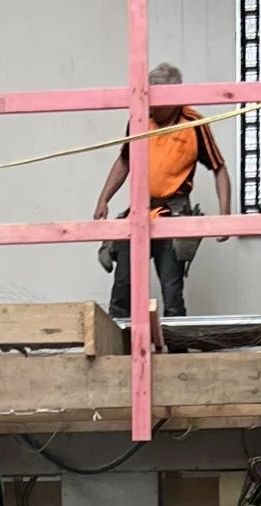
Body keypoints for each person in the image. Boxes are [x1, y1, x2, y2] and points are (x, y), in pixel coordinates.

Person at [94, 67, 231, 340]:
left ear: (174, 98)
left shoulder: (194, 123)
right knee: (122, 287)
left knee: (172, 292)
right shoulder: (139, 119)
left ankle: (177, 352)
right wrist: (104, 198)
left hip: (173, 214)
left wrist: (224, 214)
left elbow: (219, 168)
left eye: (157, 100)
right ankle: (117, 350)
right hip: (138, 214)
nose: (152, 106)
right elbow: (124, 160)